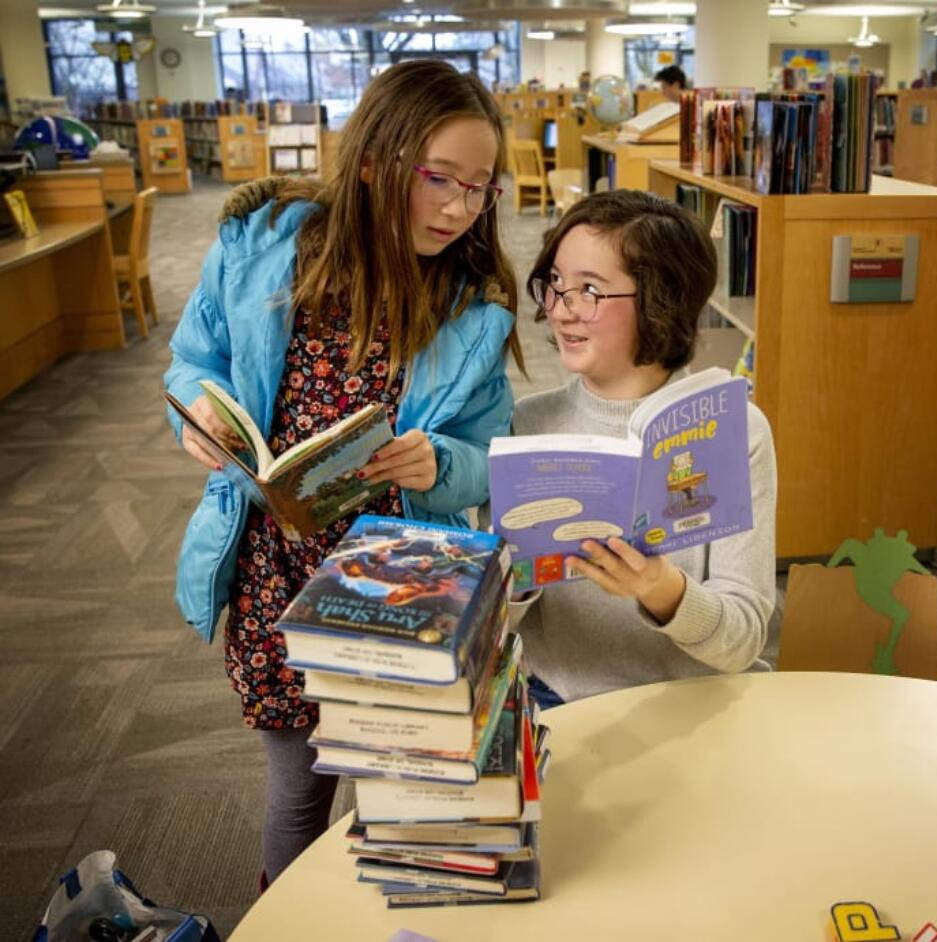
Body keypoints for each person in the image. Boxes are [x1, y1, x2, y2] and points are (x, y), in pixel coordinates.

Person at [163, 60, 522, 888]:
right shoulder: (262, 249)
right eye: (441, 180)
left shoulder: (469, 304)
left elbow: (487, 455)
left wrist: (441, 464)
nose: (460, 207)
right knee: (297, 786)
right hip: (274, 567)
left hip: (398, 582)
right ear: (374, 159)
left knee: (406, 792)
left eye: (481, 188)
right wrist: (200, 415)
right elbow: (193, 362)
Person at [507, 191, 777, 707]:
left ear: (660, 300)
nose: (561, 310)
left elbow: (743, 641)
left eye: (589, 290)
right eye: (556, 284)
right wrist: (514, 584)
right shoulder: (529, 424)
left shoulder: (736, 431)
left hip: (693, 700)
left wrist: (662, 590)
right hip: (559, 700)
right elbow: (497, 630)